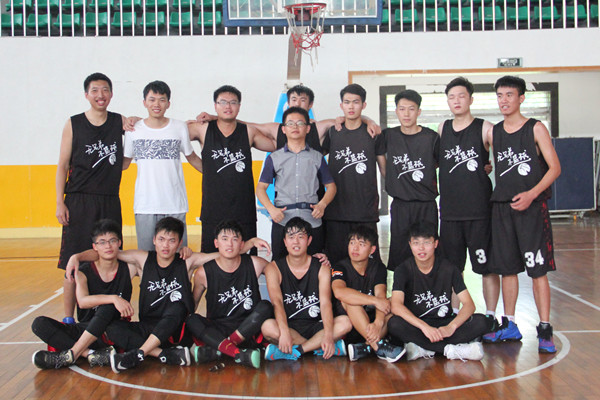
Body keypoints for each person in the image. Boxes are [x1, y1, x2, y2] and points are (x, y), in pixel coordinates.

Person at [484, 76, 561, 353]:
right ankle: (510, 323)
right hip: (503, 208)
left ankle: (544, 329)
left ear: (521, 98)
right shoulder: (494, 133)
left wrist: (531, 194)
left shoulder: (535, 128)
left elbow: (555, 168)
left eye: (509, 95)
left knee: (537, 270)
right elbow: (489, 165)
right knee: (508, 269)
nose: (504, 100)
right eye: (499, 95)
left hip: (532, 209)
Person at [56, 72, 134, 325]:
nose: (101, 95)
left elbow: (131, 150)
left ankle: (111, 316)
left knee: (111, 256)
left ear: (111, 93)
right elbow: (62, 165)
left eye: (105, 90)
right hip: (78, 201)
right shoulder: (74, 123)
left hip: (109, 200)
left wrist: (134, 121)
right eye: (95, 90)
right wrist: (60, 201)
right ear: (86, 94)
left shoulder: (119, 122)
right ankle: (68, 320)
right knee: (73, 261)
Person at [437, 77, 500, 320]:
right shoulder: (442, 128)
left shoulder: (486, 128)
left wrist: (490, 165)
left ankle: (491, 316)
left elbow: (506, 153)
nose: (456, 101)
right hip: (450, 214)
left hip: (479, 213)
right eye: (451, 97)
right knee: (453, 269)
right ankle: (454, 314)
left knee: (487, 267)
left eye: (461, 96)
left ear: (471, 99)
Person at [31, 219, 133, 369]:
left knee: (108, 307)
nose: (108, 246)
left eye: (112, 241)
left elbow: (148, 258)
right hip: (85, 330)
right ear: (94, 247)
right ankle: (90, 354)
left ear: (119, 243)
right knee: (39, 324)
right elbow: (83, 301)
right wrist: (114, 298)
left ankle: (70, 354)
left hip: (111, 332)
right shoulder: (83, 272)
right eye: (102, 242)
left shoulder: (129, 268)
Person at [188, 85, 277, 253]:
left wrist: (216, 117)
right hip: (213, 208)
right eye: (222, 102)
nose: (228, 106)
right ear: (215, 105)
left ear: (239, 106)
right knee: (211, 259)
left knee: (246, 259)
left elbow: (276, 143)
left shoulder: (248, 131)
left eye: (233, 102)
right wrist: (194, 160)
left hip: (243, 209)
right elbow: (171, 132)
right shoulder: (203, 129)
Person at [388, 221, 494, 361]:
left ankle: (424, 348)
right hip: (418, 325)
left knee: (482, 322)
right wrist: (424, 327)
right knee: (394, 324)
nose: (421, 248)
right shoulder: (403, 270)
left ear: (435, 243)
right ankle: (452, 350)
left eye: (427, 242)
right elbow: (396, 305)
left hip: (444, 324)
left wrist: (451, 327)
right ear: (410, 244)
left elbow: (469, 304)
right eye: (416, 243)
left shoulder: (449, 268)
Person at [123, 80, 203, 251]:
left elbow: (193, 158)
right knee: (147, 257)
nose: (156, 104)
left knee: (178, 256)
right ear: (144, 102)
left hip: (175, 204)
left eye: (162, 100)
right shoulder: (133, 130)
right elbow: (124, 164)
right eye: (152, 99)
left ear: (168, 103)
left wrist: (217, 174)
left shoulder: (179, 127)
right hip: (145, 205)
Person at [186, 220, 274, 369]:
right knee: (191, 319)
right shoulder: (203, 273)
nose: (230, 244)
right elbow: (192, 306)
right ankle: (238, 354)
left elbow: (280, 272)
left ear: (242, 244)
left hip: (248, 329)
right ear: (216, 243)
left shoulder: (256, 264)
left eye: (235, 239)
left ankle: (221, 350)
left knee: (266, 306)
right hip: (218, 330)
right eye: (225, 239)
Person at [261, 217, 352, 361]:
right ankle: (320, 347)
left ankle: (299, 350)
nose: (296, 242)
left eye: (301, 237)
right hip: (289, 326)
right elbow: (277, 302)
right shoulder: (273, 268)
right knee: (267, 327)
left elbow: (325, 303)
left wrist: (328, 335)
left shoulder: (322, 267)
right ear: (285, 241)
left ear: (309, 240)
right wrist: (284, 332)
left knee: (345, 322)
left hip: (317, 325)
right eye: (291, 237)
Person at [257, 106, 336, 260]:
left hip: (311, 219)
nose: (295, 127)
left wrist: (322, 204)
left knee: (315, 263)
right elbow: (261, 188)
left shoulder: (317, 157)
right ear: (284, 129)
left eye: (300, 123)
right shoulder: (274, 158)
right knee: (279, 264)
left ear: (308, 128)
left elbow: (331, 186)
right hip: (282, 220)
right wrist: (271, 209)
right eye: (290, 123)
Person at [322, 84, 386, 265]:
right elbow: (316, 159)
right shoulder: (333, 132)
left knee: (369, 264)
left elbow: (384, 169)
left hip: (365, 211)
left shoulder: (373, 133)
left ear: (363, 105)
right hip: (336, 211)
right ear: (341, 105)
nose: (351, 106)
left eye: (356, 102)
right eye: (347, 102)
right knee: (336, 263)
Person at [382, 89, 440, 271]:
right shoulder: (388, 136)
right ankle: (401, 289)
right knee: (401, 253)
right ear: (396, 111)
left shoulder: (431, 138)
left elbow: (442, 164)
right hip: (401, 206)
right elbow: (379, 158)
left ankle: (428, 288)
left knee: (427, 254)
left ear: (419, 111)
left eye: (411, 109)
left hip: (426, 205)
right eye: (402, 109)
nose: (406, 114)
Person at [331, 225, 405, 363]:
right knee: (350, 301)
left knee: (394, 303)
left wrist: (378, 322)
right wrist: (374, 301)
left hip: (373, 326)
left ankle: (364, 347)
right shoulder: (340, 266)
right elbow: (339, 292)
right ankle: (377, 346)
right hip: (350, 324)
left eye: (361, 244)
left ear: (372, 250)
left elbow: (381, 296)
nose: (355, 248)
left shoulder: (378, 267)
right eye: (352, 243)